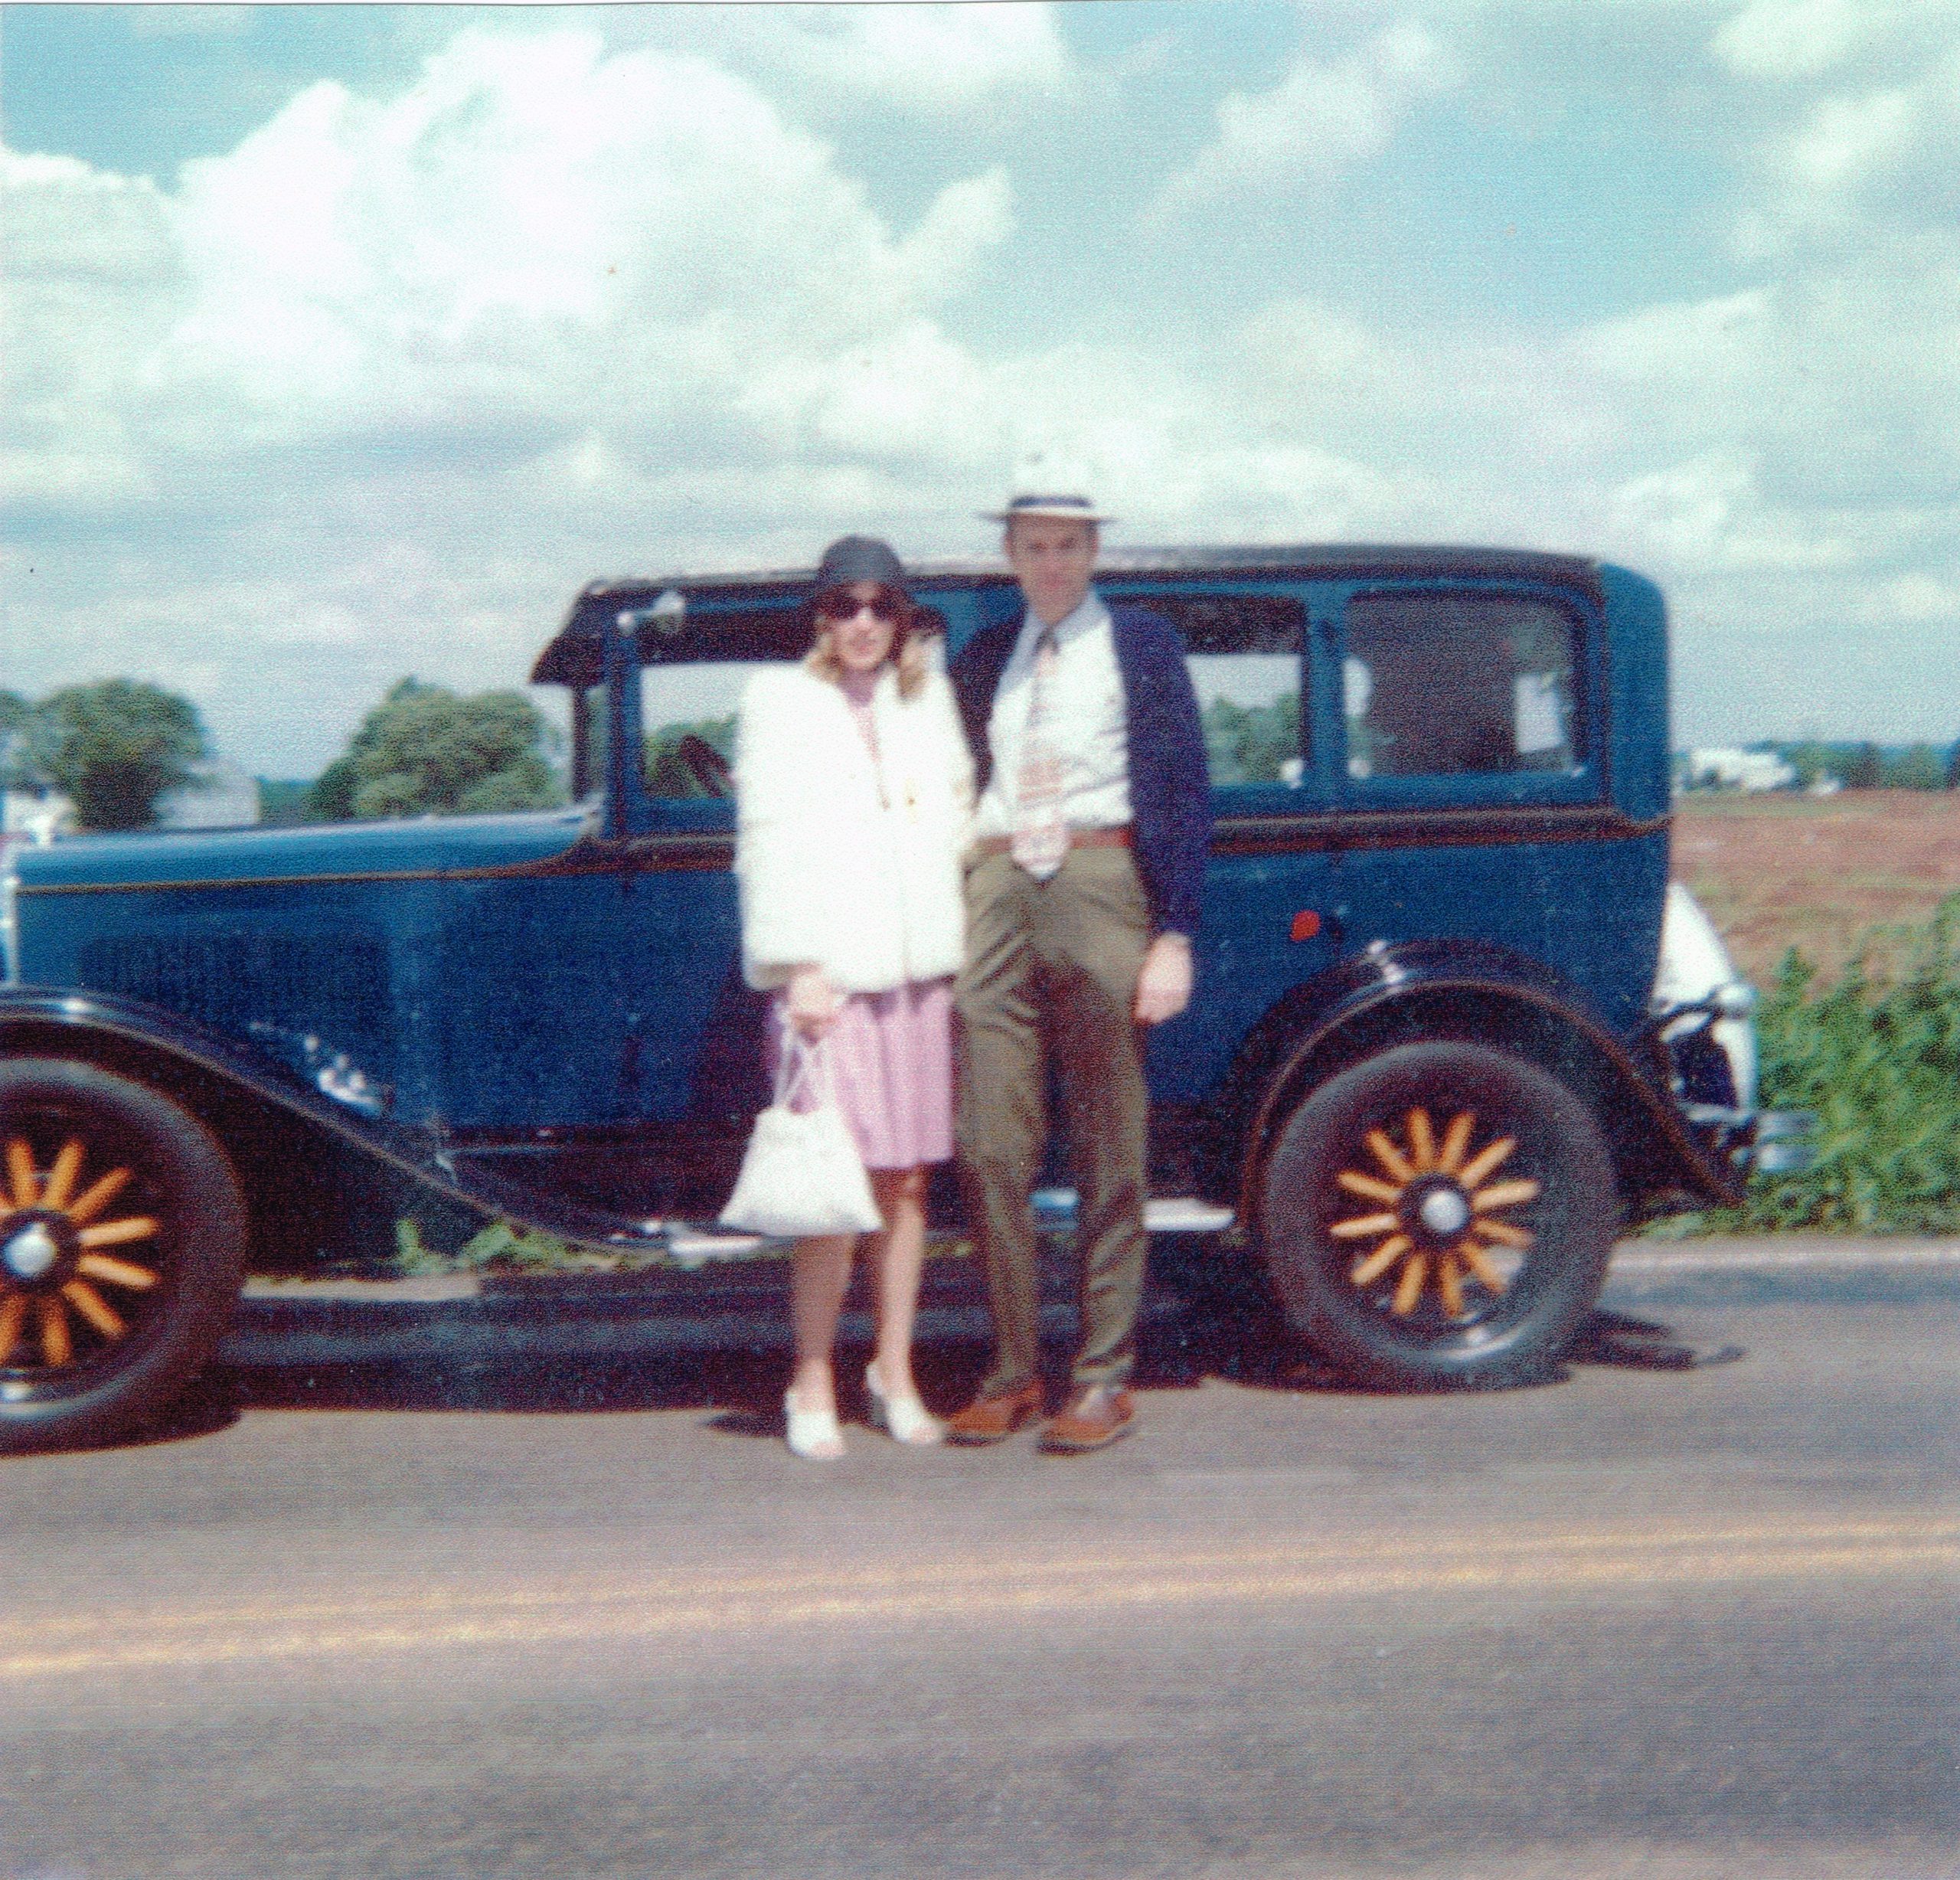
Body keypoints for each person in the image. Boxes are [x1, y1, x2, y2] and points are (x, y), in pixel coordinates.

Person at [946, 479, 1210, 1453]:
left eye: (1067, 544)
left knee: (1108, 1137)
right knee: (990, 1143)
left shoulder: (1140, 645)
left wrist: (1173, 933)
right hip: (1000, 884)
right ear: (1009, 555)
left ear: (1093, 551)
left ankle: (1100, 1378)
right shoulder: (986, 657)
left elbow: (1185, 784)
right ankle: (1013, 1370)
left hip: (1101, 877)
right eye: (1033, 545)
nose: (1050, 561)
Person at [733, 536, 974, 1460]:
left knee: (905, 1182)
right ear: (820, 618)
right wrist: (797, 961)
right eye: (846, 605)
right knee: (833, 1189)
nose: (864, 623)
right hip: (828, 983)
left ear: (903, 618)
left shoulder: (929, 696)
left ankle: (894, 1371)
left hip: (915, 977)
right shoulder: (779, 703)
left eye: (882, 606)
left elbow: (957, 812)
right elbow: (765, 838)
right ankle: (812, 1376)